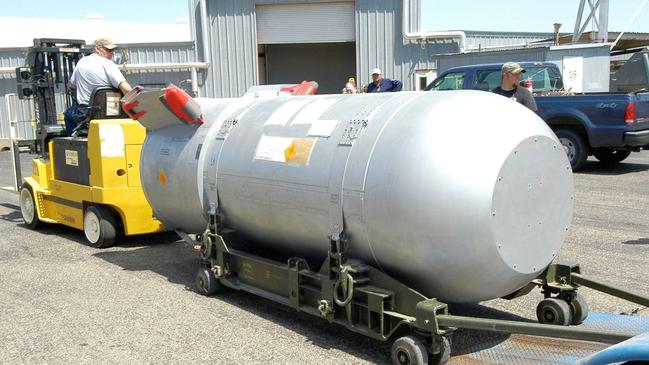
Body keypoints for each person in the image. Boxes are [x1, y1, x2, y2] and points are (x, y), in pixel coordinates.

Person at [64, 37, 132, 135]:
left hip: (87, 113)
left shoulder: (81, 62)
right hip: (112, 112)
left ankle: (73, 140)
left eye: (112, 50)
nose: (111, 53)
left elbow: (71, 85)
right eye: (108, 50)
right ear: (97, 48)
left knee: (68, 114)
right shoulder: (108, 64)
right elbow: (127, 89)